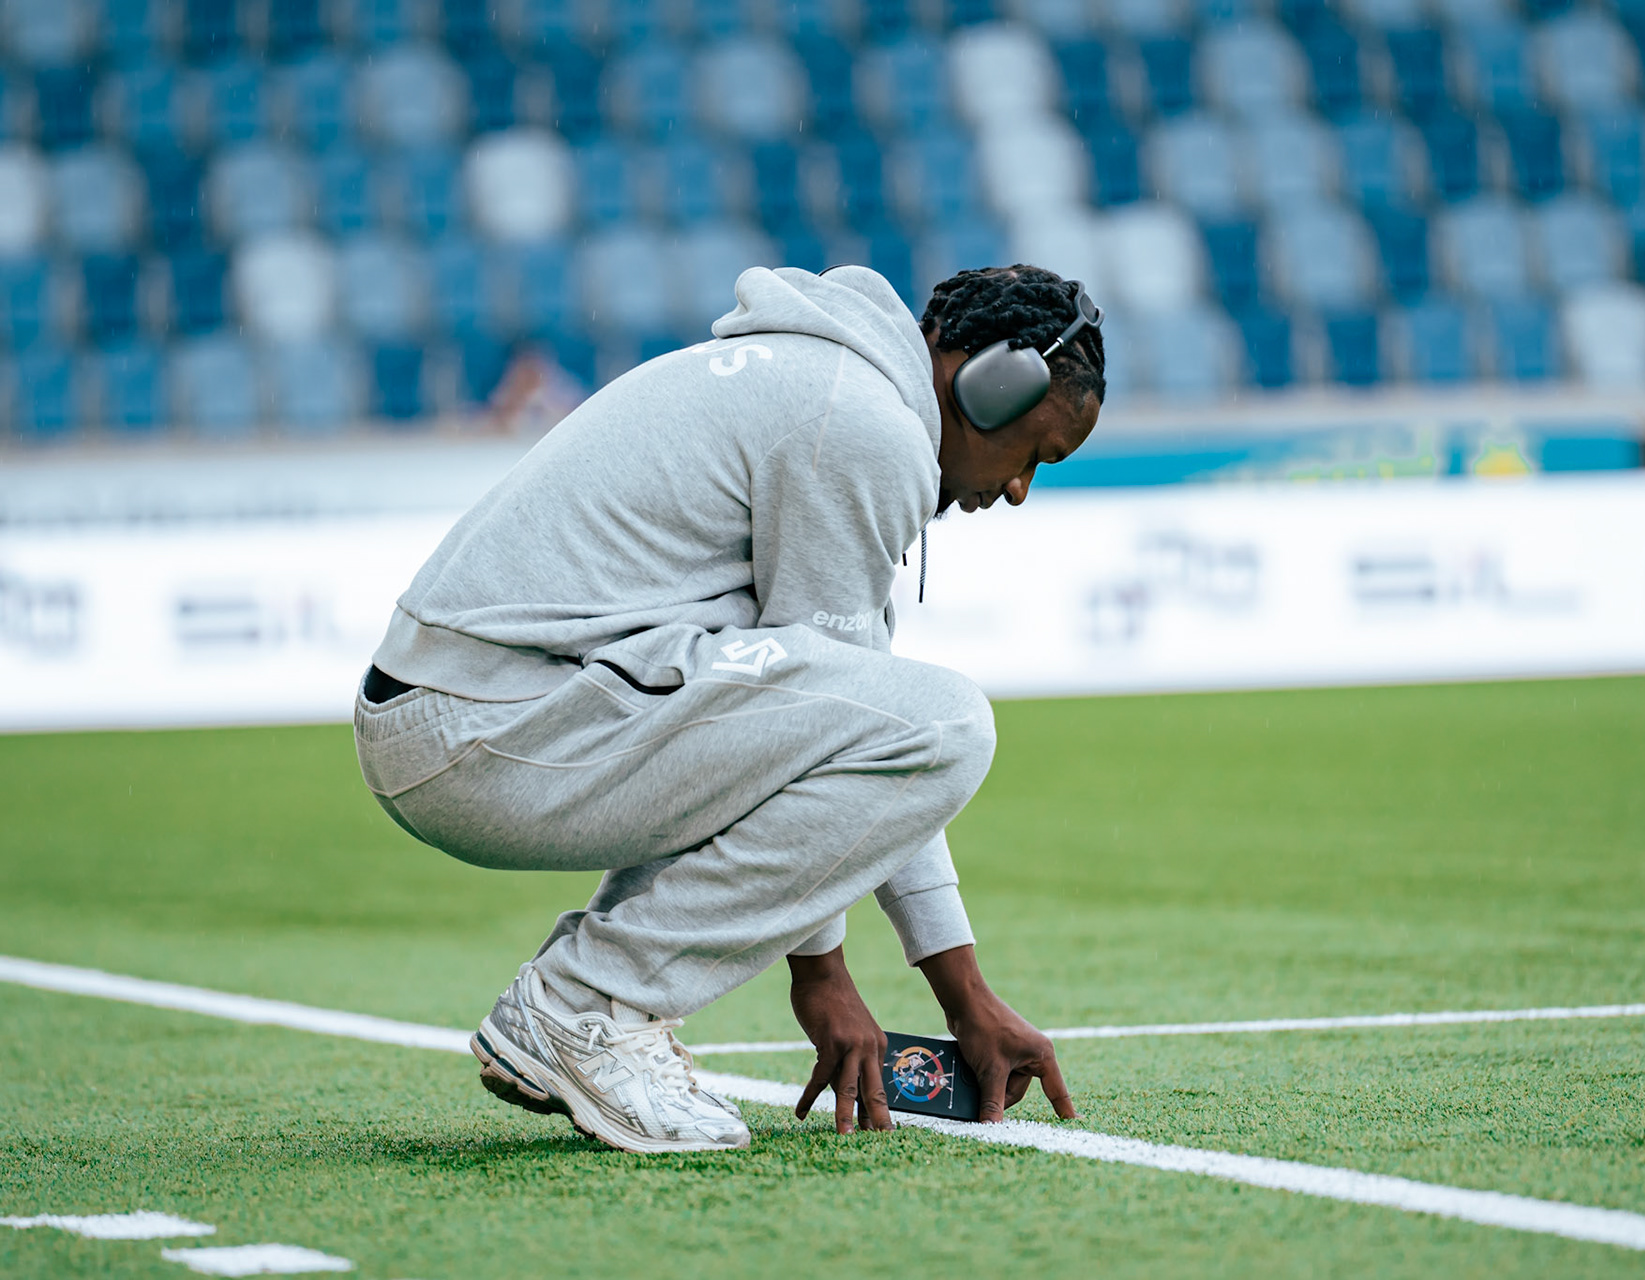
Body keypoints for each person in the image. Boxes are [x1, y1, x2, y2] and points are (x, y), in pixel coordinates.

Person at [352, 263, 1106, 1153]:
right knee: (950, 721)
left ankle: (594, 999)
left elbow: (841, 708)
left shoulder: (831, 387)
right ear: (988, 382)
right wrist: (821, 973)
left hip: (482, 712)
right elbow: (871, 731)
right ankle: (588, 1006)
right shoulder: (860, 427)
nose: (1018, 490)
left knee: (915, 715)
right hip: (487, 724)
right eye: (1034, 453)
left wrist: (961, 995)